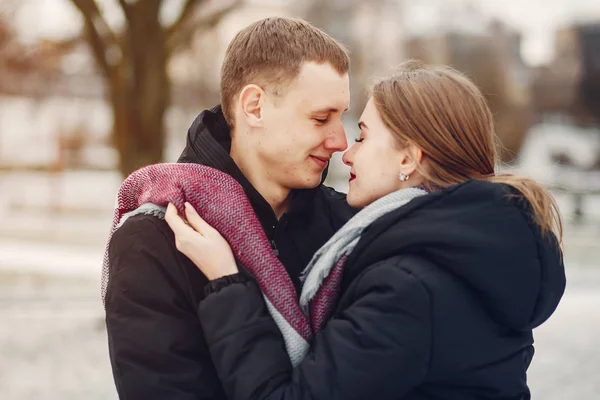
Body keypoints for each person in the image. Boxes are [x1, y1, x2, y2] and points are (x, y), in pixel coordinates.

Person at [165, 60, 567, 399]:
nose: (347, 149)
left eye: (363, 135)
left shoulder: (409, 289)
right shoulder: (470, 252)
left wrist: (226, 280)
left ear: (408, 158)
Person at [104, 17, 357, 399]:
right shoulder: (153, 239)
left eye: (342, 118)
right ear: (254, 107)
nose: (340, 141)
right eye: (321, 118)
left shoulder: (348, 226)